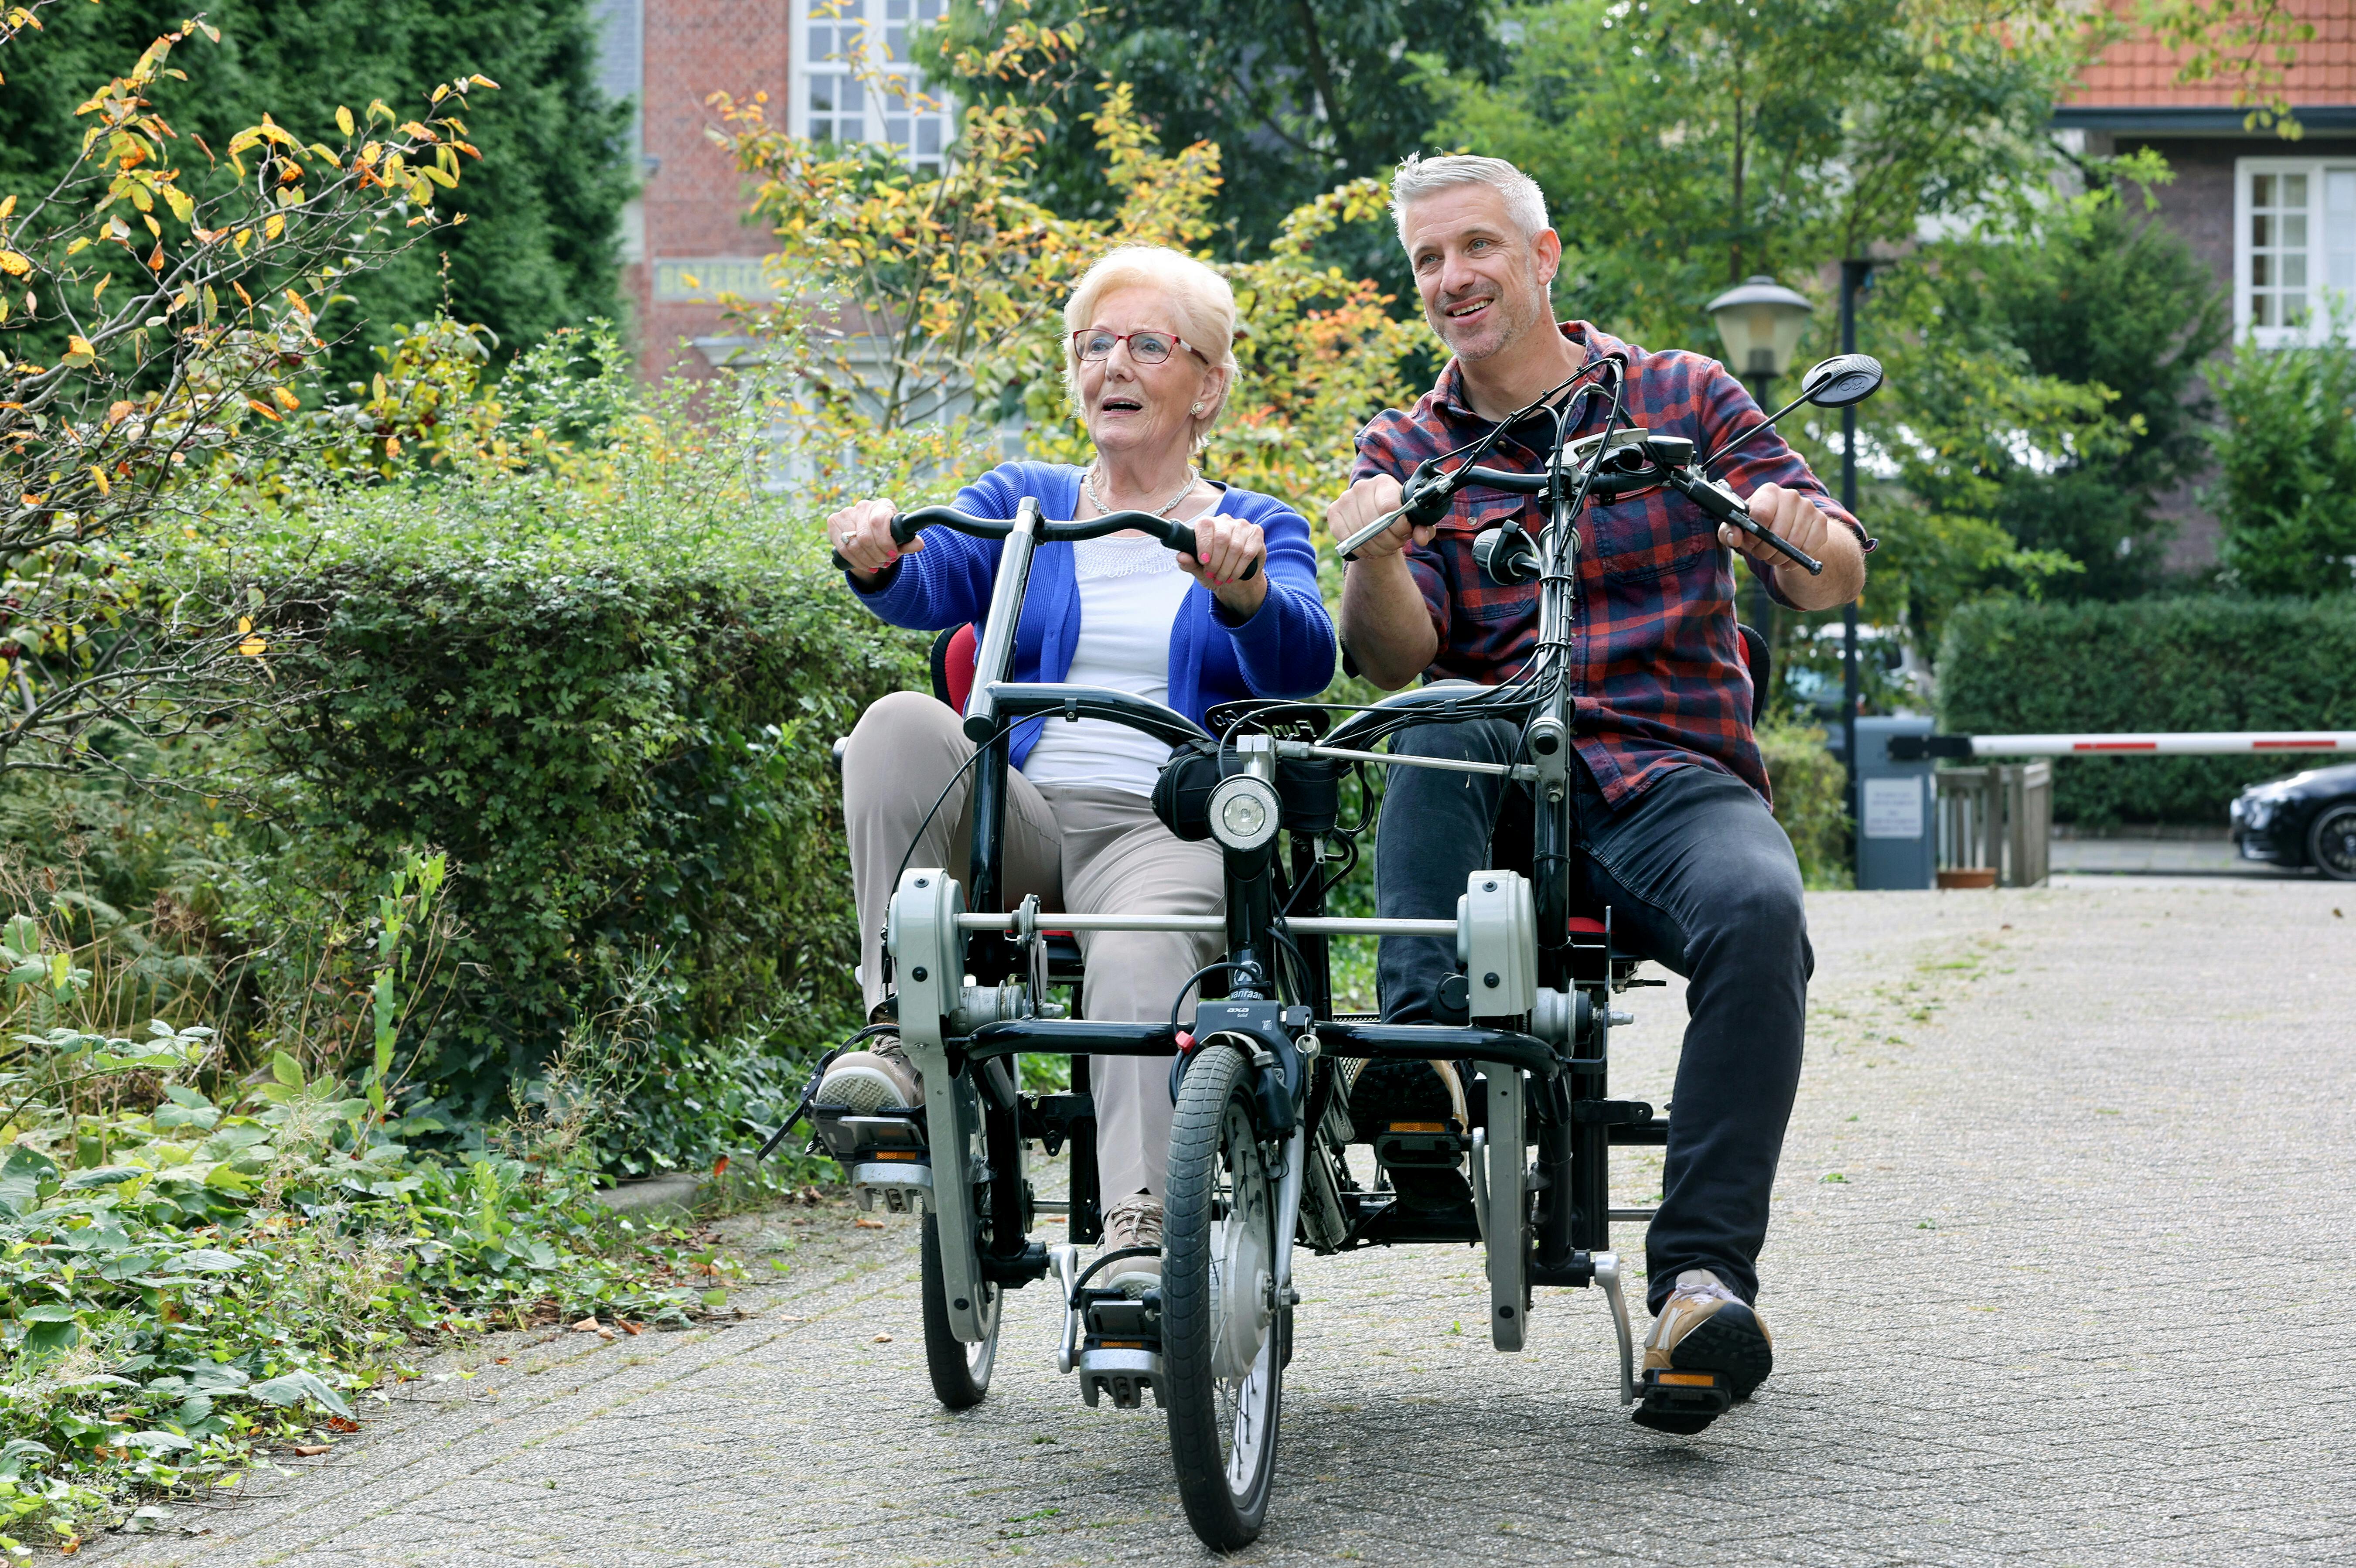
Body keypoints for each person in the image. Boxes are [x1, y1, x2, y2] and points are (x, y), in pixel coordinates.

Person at [1326, 155, 1869, 1430]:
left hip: (1666, 776)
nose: (1451, 279)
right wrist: (1372, 554)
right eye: (1426, 261)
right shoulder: (1406, 444)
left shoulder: (1685, 394)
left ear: (1542, 255)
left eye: (1475, 249)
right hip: (1497, 789)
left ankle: (1697, 1286)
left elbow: (1833, 569)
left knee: (1756, 913)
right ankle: (1421, 1073)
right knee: (1436, 715)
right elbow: (1394, 655)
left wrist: (1784, 529)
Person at [818, 244, 1338, 1288]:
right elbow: (929, 581)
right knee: (891, 725)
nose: (1114, 366)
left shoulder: (1252, 522)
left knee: (1142, 946)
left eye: (1149, 344)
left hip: (1164, 825)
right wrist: (875, 553)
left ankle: (1138, 1231)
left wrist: (1240, 595)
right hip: (1023, 813)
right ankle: (895, 1040)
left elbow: (1306, 658)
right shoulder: (1028, 501)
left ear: (1208, 383)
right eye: (1094, 345)